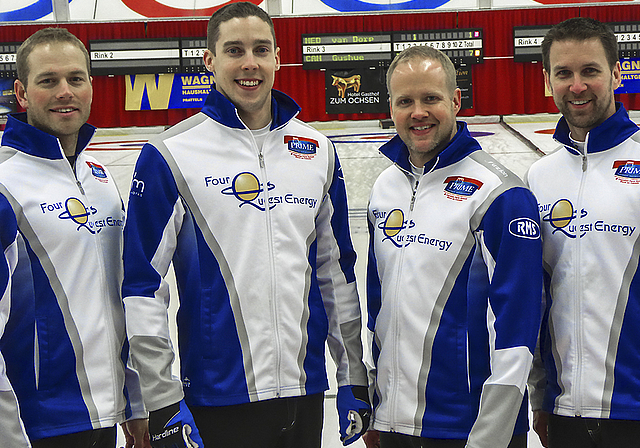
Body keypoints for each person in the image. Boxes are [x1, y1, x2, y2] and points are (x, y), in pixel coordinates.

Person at [121, 2, 370, 447]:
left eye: (260, 49)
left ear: (277, 57)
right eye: (234, 50)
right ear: (210, 61)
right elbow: (141, 286)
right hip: (217, 399)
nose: (249, 63)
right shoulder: (170, 154)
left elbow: (337, 275)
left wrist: (352, 374)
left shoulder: (318, 150)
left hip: (304, 392)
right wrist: (160, 398)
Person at [364, 45, 543, 448]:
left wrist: (491, 435)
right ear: (390, 106)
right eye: (405, 101)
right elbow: (380, 307)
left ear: (456, 100)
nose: (418, 112)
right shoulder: (384, 188)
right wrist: (379, 405)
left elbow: (518, 325)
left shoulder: (501, 194)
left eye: (431, 98)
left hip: (468, 429)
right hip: (396, 424)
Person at [0, 28, 149, 447]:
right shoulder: (5, 185)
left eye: (76, 79)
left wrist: (134, 402)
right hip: (36, 425)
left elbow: (119, 298)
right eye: (48, 81)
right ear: (22, 92)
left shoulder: (99, 179)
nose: (65, 91)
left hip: (105, 417)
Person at [526, 17, 640, 448]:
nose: (577, 86)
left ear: (615, 73)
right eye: (564, 73)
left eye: (590, 71)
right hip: (563, 411)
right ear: (546, 79)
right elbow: (533, 297)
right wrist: (540, 395)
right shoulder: (538, 177)